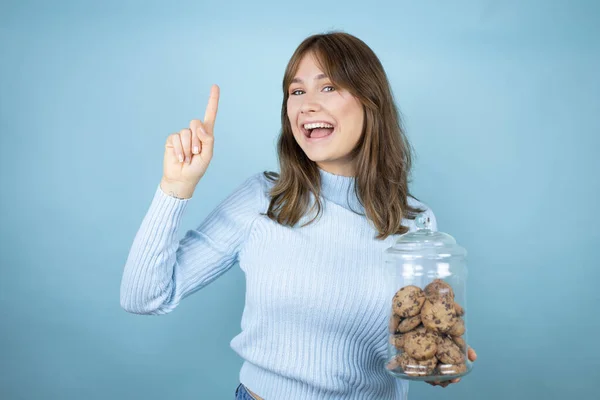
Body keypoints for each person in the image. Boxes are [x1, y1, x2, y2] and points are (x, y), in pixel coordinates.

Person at [120, 31, 477, 400]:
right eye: (296, 91)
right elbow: (144, 297)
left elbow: (417, 338)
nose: (305, 105)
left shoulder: (415, 221)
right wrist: (175, 186)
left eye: (328, 87)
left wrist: (436, 362)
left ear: (371, 102)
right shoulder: (264, 199)